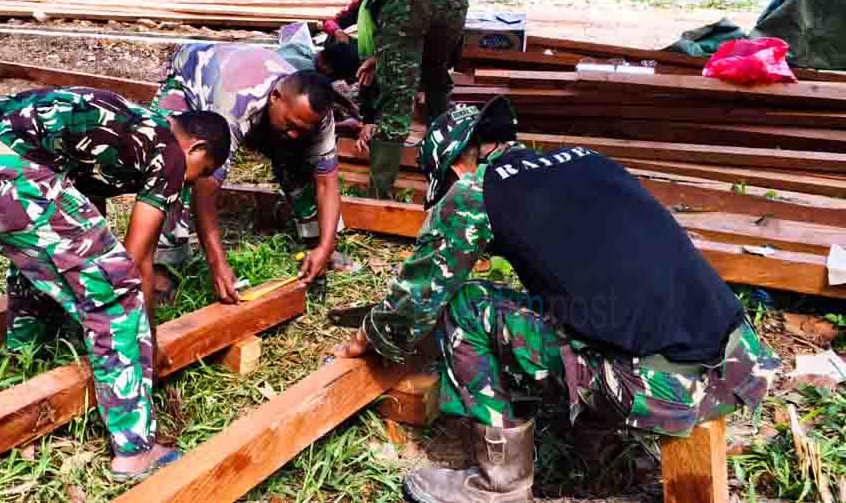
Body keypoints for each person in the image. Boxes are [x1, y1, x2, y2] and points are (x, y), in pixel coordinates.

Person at [334, 98, 780, 503]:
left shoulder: (473, 194)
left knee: (466, 305)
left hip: (670, 390)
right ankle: (596, 439)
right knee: (565, 303)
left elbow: (415, 302)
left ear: (458, 166)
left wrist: (368, 337)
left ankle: (499, 487)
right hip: (739, 364)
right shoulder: (589, 163)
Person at [0, 87, 231, 481]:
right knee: (115, 292)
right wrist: (148, 347)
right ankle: (135, 450)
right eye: (203, 172)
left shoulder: (125, 125)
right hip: (5, 170)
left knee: (43, 253)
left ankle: (24, 356)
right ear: (196, 148)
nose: (192, 184)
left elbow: (77, 216)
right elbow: (135, 264)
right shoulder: (170, 150)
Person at [153, 42, 343, 304]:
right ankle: (163, 264)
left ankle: (316, 246)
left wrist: (327, 245)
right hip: (190, 80)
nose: (295, 133)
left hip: (248, 90)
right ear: (275, 97)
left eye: (303, 128)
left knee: (301, 157)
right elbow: (205, 189)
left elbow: (327, 182)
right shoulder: (235, 103)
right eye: (290, 125)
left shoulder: (317, 116)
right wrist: (218, 264)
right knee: (177, 165)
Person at [353, 0, 469, 199]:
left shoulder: (368, 5)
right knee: (437, 80)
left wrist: (368, 118)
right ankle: (447, 171)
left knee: (397, 99)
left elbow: (367, 73)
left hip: (405, 6)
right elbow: (449, 57)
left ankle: (378, 194)